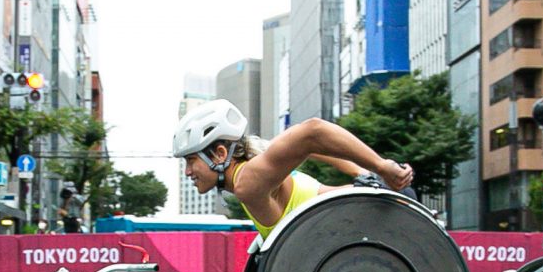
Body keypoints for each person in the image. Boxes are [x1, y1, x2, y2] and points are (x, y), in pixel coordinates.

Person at [172, 99, 414, 241]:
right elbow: (313, 147)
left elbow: (313, 132)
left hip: (380, 215)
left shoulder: (248, 182)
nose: (187, 172)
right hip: (372, 208)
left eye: (191, 160)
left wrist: (380, 167)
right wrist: (362, 174)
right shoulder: (261, 163)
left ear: (220, 154)